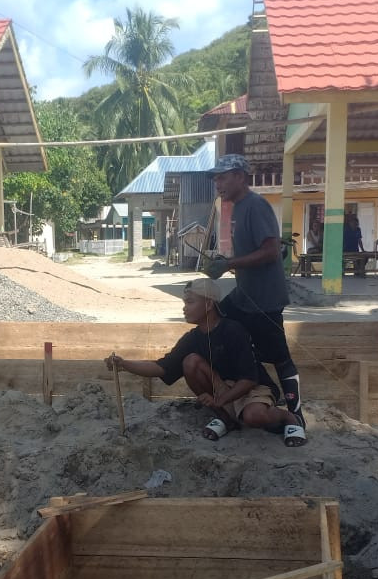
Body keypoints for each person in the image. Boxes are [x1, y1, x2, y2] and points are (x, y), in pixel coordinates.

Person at [105, 278, 306, 446]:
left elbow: (249, 379)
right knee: (190, 362)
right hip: (223, 387)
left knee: (255, 417)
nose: (185, 308)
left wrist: (221, 400)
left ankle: (289, 417)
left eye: (190, 302)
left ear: (209, 304)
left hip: (252, 388)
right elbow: (161, 367)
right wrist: (124, 364)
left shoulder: (234, 331)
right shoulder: (192, 338)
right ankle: (227, 420)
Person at [202, 154, 307, 444]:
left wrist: (232, 262)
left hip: (264, 299)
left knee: (280, 357)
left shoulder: (256, 206)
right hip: (244, 296)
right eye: (215, 178)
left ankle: (295, 417)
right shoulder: (234, 208)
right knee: (217, 333)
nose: (217, 183)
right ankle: (232, 410)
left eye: (222, 177)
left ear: (240, 176)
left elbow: (271, 251)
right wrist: (227, 262)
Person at [342, 209, 367, 277]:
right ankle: (342, 273)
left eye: (356, 223)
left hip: (355, 250)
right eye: (352, 222)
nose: (354, 224)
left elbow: (359, 240)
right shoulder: (345, 228)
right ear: (350, 223)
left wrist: (363, 250)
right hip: (345, 249)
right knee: (343, 261)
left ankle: (358, 272)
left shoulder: (358, 229)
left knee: (362, 257)